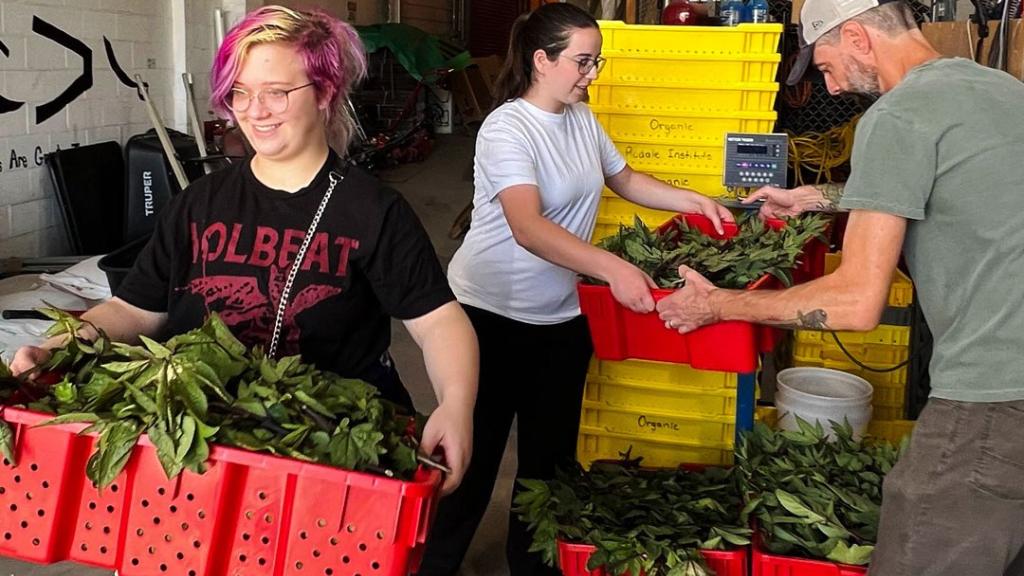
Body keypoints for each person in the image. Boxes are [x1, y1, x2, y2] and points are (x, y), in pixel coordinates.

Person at [9, 5, 477, 496]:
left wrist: (456, 404)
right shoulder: (200, 203)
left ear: (324, 92)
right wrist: (64, 345)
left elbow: (438, 321)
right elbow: (134, 307)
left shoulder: (371, 209)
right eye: (241, 92)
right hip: (205, 447)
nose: (254, 110)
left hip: (328, 451)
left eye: (276, 92)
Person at [657, 0, 1024, 573]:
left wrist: (716, 303)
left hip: (1000, 391)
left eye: (821, 62)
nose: (822, 80)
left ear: (856, 36)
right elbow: (947, 190)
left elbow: (854, 302)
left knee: (921, 549)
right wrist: (817, 198)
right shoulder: (994, 88)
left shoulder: (899, 115)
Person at [417, 4, 734, 575]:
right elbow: (527, 226)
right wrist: (611, 268)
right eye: (583, 61)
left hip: (562, 317)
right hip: (488, 316)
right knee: (472, 457)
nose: (593, 74)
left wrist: (695, 200)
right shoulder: (507, 127)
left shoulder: (581, 118)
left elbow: (626, 178)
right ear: (542, 60)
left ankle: (531, 566)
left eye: (597, 61)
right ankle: (432, 564)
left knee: (549, 466)